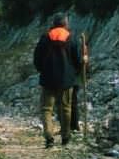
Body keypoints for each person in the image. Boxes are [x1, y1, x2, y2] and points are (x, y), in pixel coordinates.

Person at [32, 14, 85, 148]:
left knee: (46, 109)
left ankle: (49, 137)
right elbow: (78, 60)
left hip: (48, 79)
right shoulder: (71, 38)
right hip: (66, 80)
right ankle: (66, 137)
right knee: (66, 108)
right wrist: (78, 68)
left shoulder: (45, 38)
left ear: (53, 24)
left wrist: (42, 70)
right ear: (65, 24)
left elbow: (36, 59)